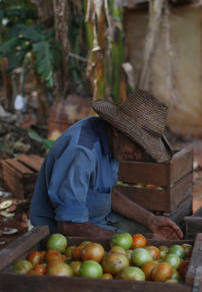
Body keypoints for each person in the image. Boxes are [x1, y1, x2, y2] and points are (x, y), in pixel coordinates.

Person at [30, 89, 183, 240]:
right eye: (136, 146)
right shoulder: (81, 153)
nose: (138, 155)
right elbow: (69, 226)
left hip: (99, 222)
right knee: (145, 243)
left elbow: (106, 194)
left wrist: (151, 220)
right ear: (118, 130)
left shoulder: (110, 141)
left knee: (157, 236)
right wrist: (132, 242)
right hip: (63, 237)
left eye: (143, 150)